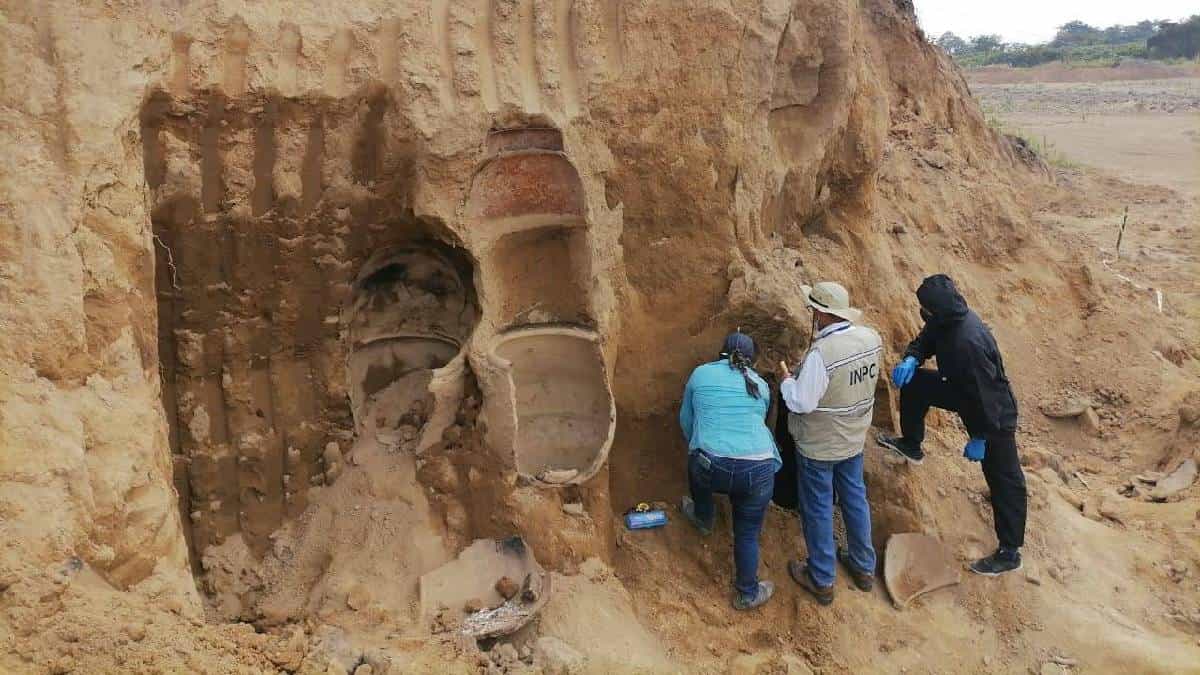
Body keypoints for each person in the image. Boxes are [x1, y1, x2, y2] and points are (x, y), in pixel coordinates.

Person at [878, 274, 1027, 576]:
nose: (923, 313)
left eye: (925, 309)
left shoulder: (967, 341)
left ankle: (1009, 552)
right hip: (960, 389)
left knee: (1004, 478)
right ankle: (911, 443)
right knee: (916, 384)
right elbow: (924, 341)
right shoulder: (944, 318)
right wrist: (911, 358)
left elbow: (985, 397)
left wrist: (981, 436)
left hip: (994, 414)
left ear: (936, 309)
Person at [778, 282, 881, 606]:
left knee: (818, 506)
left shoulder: (822, 355)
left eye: (813, 310)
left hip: (820, 445)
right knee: (854, 497)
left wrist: (785, 382)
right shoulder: (870, 338)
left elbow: (801, 402)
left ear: (822, 313)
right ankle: (863, 567)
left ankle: (821, 578)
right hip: (853, 437)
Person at [679, 331, 781, 610]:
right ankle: (748, 593)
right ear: (752, 361)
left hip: (712, 465)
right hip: (760, 469)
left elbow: (686, 421)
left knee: (697, 464)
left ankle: (703, 518)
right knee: (747, 533)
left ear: (721, 352)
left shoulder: (700, 374)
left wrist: (699, 445)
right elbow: (761, 422)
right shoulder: (760, 385)